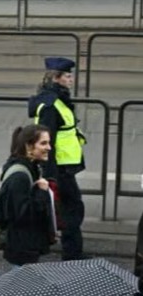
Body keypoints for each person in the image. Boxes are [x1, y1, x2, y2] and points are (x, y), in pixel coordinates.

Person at [29, 56, 87, 261]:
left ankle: (70, 251)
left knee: (67, 207)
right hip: (59, 166)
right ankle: (72, 254)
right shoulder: (51, 105)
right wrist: (50, 172)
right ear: (56, 78)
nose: (71, 79)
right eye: (68, 76)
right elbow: (47, 138)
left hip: (64, 165)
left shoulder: (59, 99)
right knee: (73, 208)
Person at [0, 124, 54, 266]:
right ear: (28, 146)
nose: (49, 147)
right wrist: (42, 192)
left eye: (49, 142)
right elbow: (22, 215)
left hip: (27, 245)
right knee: (21, 285)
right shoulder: (20, 176)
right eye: (43, 143)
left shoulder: (32, 167)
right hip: (22, 248)